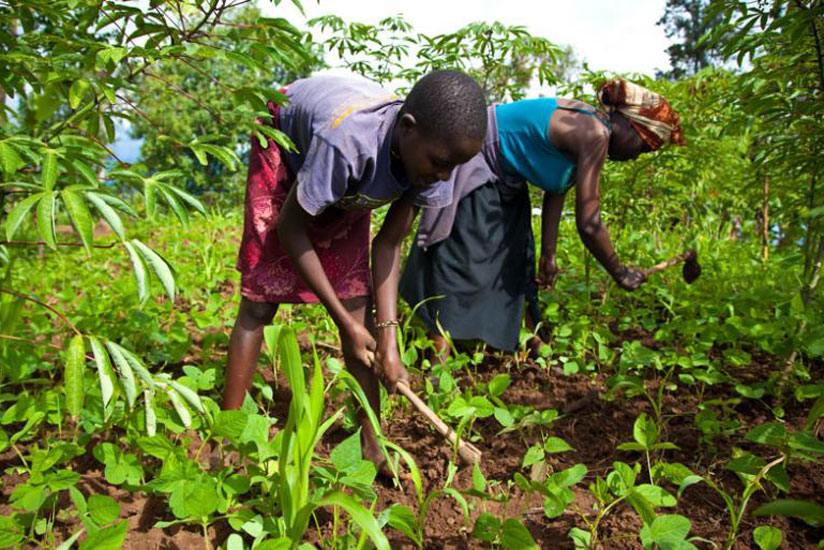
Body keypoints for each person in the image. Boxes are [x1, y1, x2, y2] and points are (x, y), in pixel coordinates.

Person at [222, 70, 487, 470]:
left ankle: (372, 445)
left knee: (359, 306)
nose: (445, 177)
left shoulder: (433, 158)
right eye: (441, 164)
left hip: (347, 179)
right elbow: (291, 227)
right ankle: (224, 438)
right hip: (287, 141)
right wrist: (342, 321)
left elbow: (388, 244)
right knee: (259, 304)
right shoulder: (348, 142)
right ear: (408, 129)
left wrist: (389, 342)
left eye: (455, 168)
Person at [400, 78, 685, 357]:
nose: (638, 156)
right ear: (631, 125)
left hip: (507, 177)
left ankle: (526, 338)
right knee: (462, 259)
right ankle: (439, 355)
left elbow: (556, 188)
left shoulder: (589, 126)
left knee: (515, 258)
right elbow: (589, 222)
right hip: (479, 164)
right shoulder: (595, 133)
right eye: (644, 146)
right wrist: (619, 271)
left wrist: (548, 254)